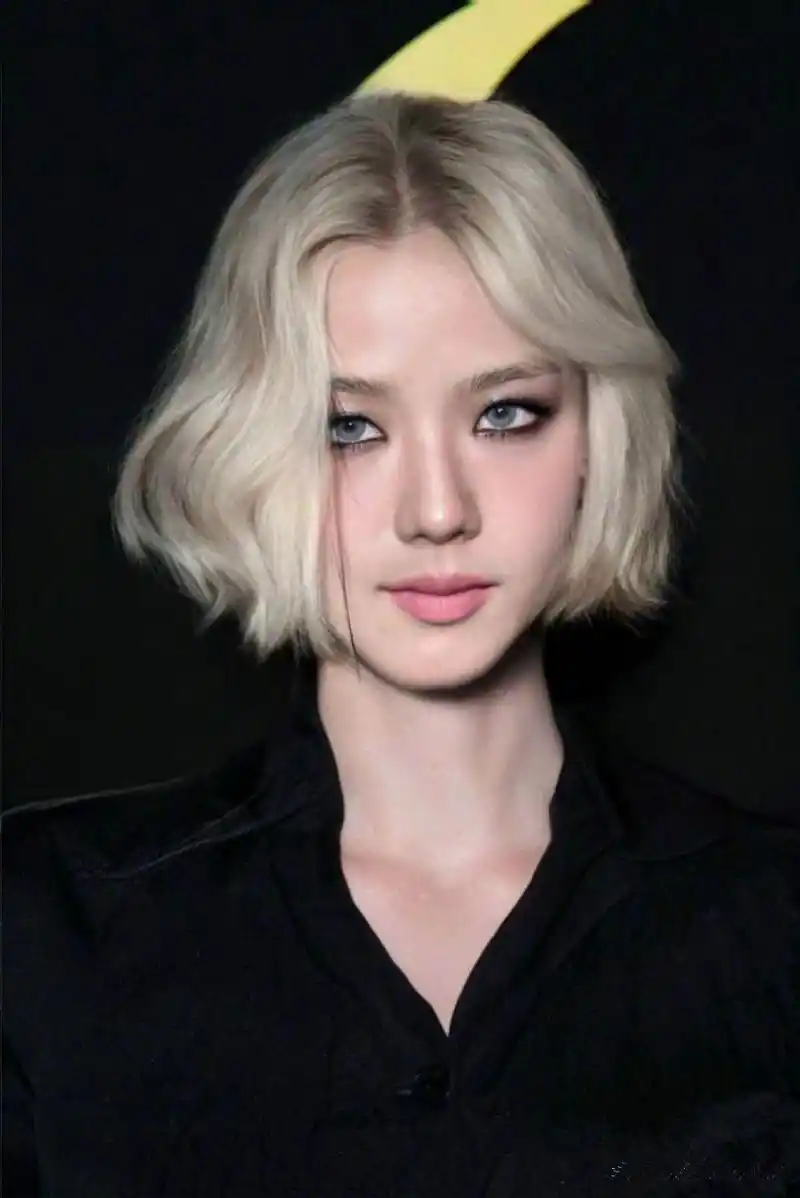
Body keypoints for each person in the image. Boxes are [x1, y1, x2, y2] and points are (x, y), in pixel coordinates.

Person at [3, 90, 799, 1197]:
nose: (435, 510)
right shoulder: (48, 928)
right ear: (250, 446)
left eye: (504, 413)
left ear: (596, 432)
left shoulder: (770, 926)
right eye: (351, 428)